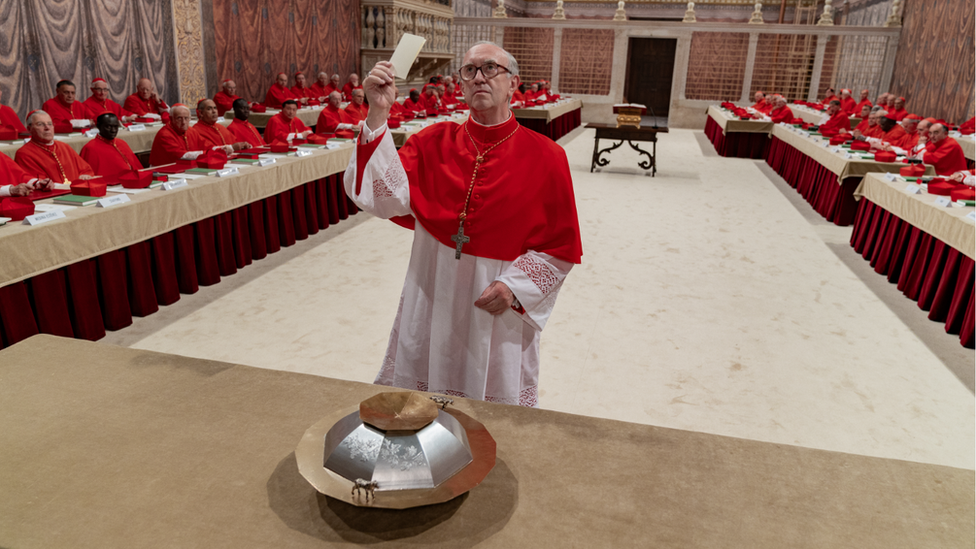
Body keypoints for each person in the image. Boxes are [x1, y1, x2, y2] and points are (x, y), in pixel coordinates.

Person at [344, 41, 582, 406]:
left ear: (513, 83)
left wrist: (515, 287)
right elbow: (380, 197)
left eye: (490, 69)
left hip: (496, 307)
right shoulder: (431, 143)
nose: (479, 78)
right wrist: (378, 114)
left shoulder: (547, 157)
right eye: (469, 71)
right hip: (432, 290)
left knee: (492, 413)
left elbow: (560, 247)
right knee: (419, 406)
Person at [15, 110, 94, 183]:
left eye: (50, 124)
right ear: (29, 129)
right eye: (40, 124)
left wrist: (85, 176)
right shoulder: (24, 154)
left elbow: (85, 169)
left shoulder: (64, 146)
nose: (47, 128)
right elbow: (38, 182)